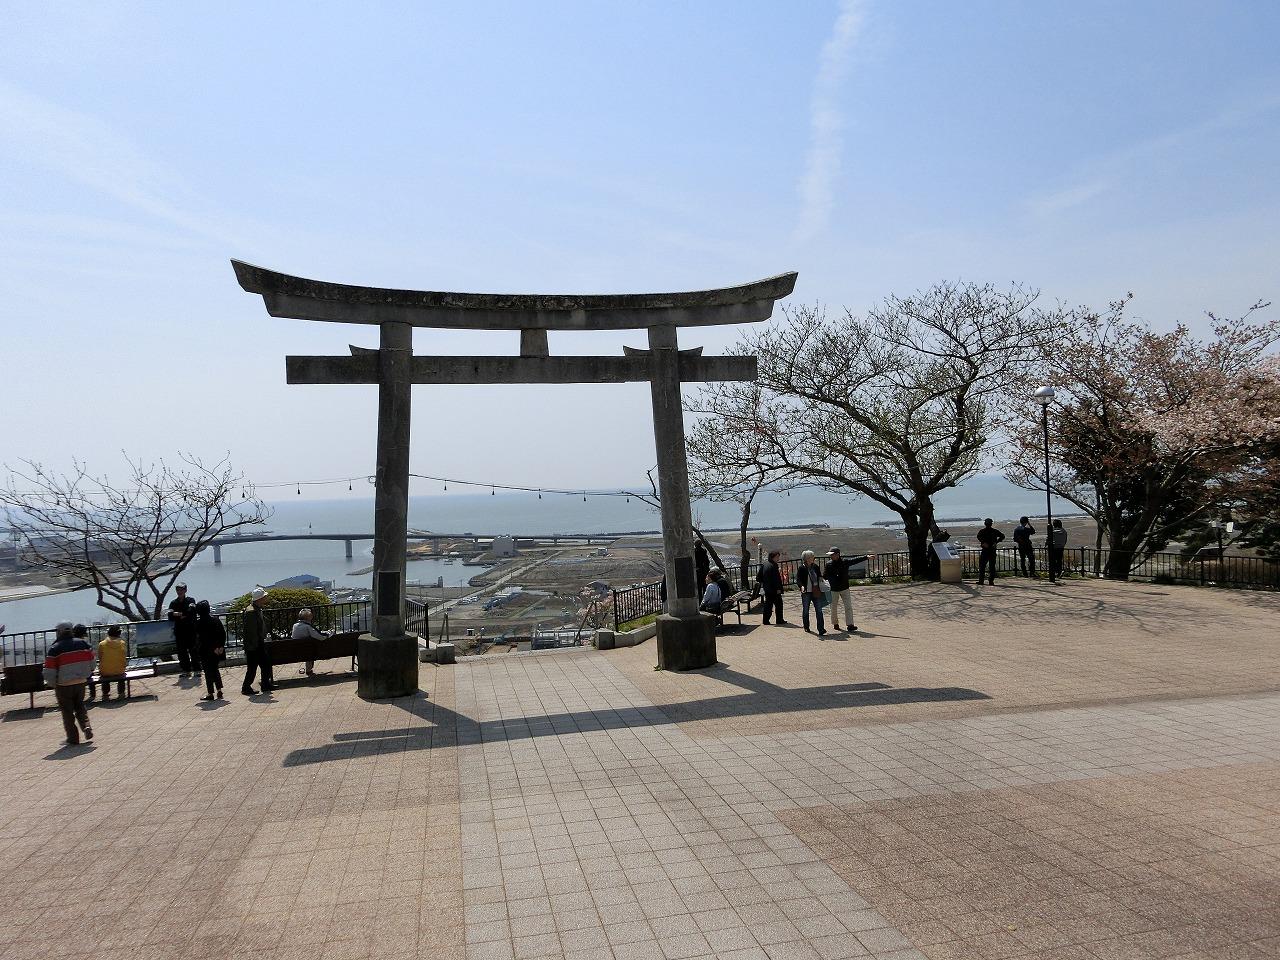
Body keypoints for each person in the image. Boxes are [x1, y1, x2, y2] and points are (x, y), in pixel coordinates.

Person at [43, 622, 94, 746]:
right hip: (81, 681)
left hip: (63, 684)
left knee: (67, 711)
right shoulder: (83, 644)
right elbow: (92, 663)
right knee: (80, 706)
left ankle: (73, 738)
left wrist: (52, 683)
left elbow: (49, 670)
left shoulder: (55, 648)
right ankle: (86, 726)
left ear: (59, 632)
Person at [825, 547, 868, 632]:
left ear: (837, 554)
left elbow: (855, 560)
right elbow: (825, 575)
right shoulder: (828, 564)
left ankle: (850, 625)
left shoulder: (845, 562)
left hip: (845, 588)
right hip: (833, 589)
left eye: (832, 554)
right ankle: (835, 623)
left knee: (848, 607)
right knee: (833, 607)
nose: (831, 556)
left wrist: (866, 557)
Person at [241, 586, 274, 695]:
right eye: (264, 597)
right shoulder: (251, 612)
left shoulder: (256, 609)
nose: (266, 598)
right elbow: (251, 631)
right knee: (253, 667)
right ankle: (246, 687)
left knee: (265, 664)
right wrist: (254, 645)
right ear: (260, 599)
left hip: (256, 643)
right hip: (254, 644)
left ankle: (265, 684)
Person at [194, 600, 226, 700]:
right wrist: (220, 646)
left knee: (208, 672)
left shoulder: (198, 623)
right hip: (217, 650)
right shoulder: (216, 620)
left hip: (205, 650)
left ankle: (210, 693)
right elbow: (222, 634)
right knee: (215, 670)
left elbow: (201, 639)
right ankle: (219, 690)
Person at [167, 583, 200, 677]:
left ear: (185, 590)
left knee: (193, 651)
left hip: (191, 631)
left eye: (181, 590)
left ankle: (197, 670)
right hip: (179, 631)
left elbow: (192, 612)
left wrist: (177, 614)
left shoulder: (191, 600)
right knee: (182, 653)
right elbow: (170, 616)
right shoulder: (173, 603)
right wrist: (183, 614)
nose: (179, 592)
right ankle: (186, 670)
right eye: (178, 590)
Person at [795, 550, 827, 636]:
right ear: (806, 558)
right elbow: (798, 579)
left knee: (819, 610)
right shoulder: (802, 568)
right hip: (806, 592)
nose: (813, 558)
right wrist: (801, 586)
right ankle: (806, 626)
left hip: (816, 591)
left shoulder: (815, 566)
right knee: (806, 610)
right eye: (811, 557)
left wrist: (821, 578)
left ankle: (821, 629)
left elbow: (819, 575)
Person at [92, 625, 128, 701]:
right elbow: (124, 656)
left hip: (106, 671)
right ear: (119, 634)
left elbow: (100, 657)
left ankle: (105, 694)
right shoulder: (122, 643)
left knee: (105, 674)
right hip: (120, 670)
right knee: (121, 675)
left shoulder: (102, 644)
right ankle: (121, 693)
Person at [291, 608, 328, 676]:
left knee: (307, 648)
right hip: (307, 652)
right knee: (310, 649)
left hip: (295, 652)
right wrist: (328, 635)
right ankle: (309, 670)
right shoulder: (307, 627)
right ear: (308, 618)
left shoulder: (295, 626)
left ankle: (309, 670)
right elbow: (320, 637)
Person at [757, 550, 786, 625]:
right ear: (773, 557)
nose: (778, 559)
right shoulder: (773, 566)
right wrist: (778, 589)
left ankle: (765, 620)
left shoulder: (765, 564)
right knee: (779, 605)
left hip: (767, 589)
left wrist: (765, 583)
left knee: (768, 605)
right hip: (774, 589)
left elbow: (758, 577)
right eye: (777, 557)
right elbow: (776, 579)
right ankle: (779, 620)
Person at [976, 519, 1005, 585]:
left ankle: (981, 581)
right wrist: (996, 542)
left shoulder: (982, 531)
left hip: (985, 551)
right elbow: (1002, 536)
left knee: (982, 566)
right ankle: (991, 581)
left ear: (985, 524)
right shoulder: (994, 531)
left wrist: (983, 542)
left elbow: (978, 537)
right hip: (992, 551)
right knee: (992, 567)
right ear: (991, 524)